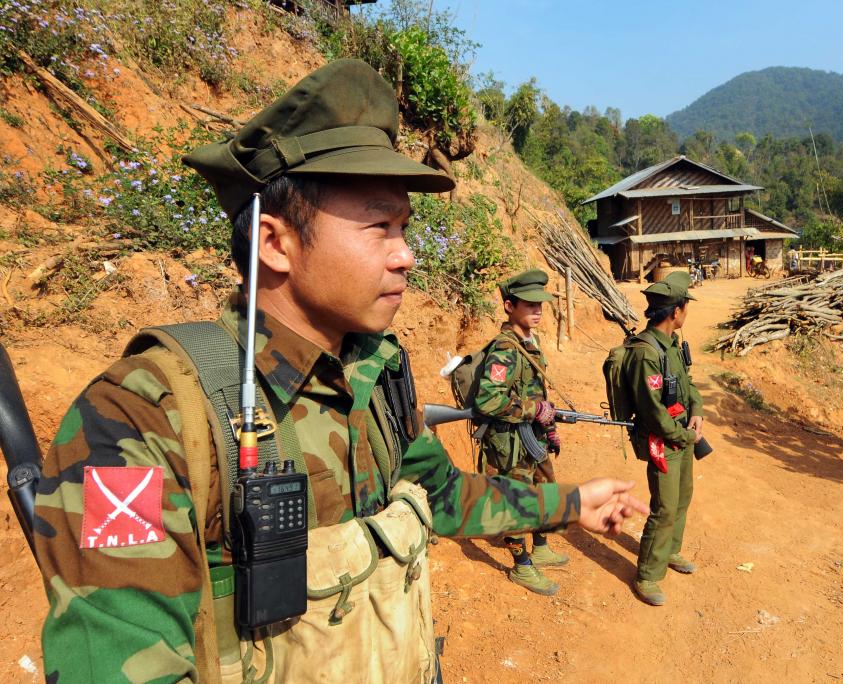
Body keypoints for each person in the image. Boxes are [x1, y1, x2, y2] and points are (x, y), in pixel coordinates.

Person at [33, 59, 648, 683]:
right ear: (276, 243)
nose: (406, 255)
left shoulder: (375, 375)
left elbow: (443, 495)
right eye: (380, 226)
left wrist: (570, 501)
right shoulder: (142, 417)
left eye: (404, 227)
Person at [472, 269, 567, 596]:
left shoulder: (530, 340)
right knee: (516, 504)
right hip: (508, 443)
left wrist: (549, 424)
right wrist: (534, 411)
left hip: (532, 436)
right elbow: (487, 400)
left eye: (541, 303)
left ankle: (540, 545)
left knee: (545, 491)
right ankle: (522, 566)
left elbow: (536, 392)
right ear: (510, 306)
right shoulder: (505, 349)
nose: (538, 310)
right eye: (530, 305)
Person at [623, 271, 704, 606]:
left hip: (682, 435)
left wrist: (696, 409)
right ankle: (648, 575)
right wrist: (683, 435)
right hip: (663, 440)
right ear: (675, 312)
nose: (687, 313)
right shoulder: (645, 354)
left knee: (683, 496)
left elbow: (688, 383)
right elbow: (653, 412)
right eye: (686, 307)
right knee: (665, 506)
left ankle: (670, 550)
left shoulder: (672, 345)